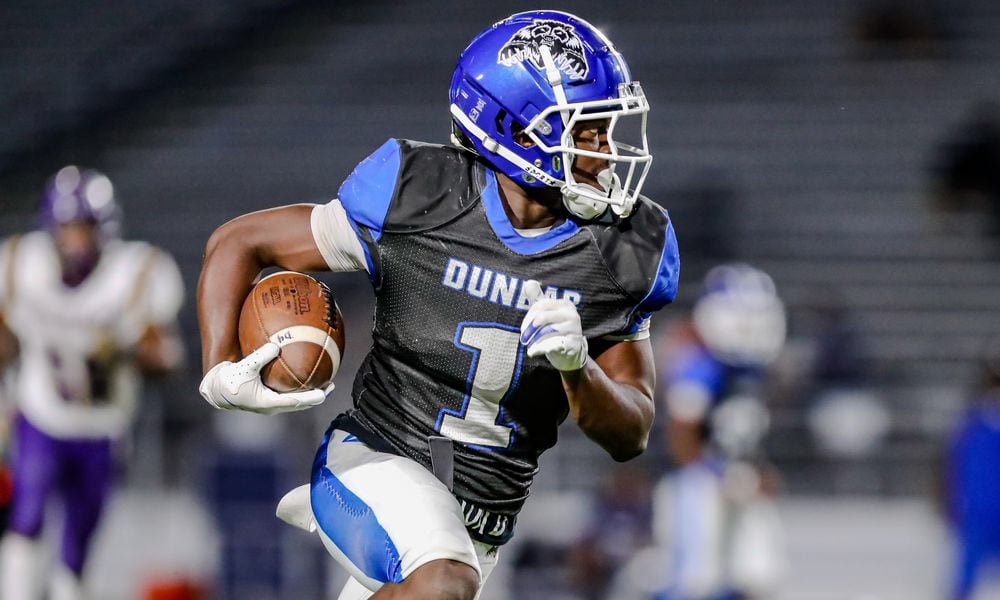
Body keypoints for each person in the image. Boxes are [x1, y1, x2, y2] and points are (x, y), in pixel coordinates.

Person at [196, 10, 679, 600]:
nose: (606, 153)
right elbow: (241, 241)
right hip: (373, 462)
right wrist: (220, 366)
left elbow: (631, 433)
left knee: (447, 579)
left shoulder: (623, 248)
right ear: (516, 131)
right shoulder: (421, 196)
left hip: (481, 527)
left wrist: (579, 369)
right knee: (442, 584)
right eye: (585, 133)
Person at [0, 166, 185, 600]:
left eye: (84, 228)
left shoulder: (135, 274)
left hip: (102, 424)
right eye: (66, 227)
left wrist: (128, 350)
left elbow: (168, 358)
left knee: (78, 543)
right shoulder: (20, 265)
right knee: (25, 520)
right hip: (41, 412)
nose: (75, 240)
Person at [653, 264, 787, 600]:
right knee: (697, 577)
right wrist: (714, 474)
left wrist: (758, 471)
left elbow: (744, 435)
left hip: (738, 479)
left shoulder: (752, 371)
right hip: (698, 482)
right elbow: (681, 435)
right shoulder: (701, 364)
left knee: (757, 573)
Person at [941, 348, 1000, 600]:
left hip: (979, 511)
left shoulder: (970, 422)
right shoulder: (970, 422)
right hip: (976, 512)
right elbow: (951, 466)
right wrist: (948, 502)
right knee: (964, 580)